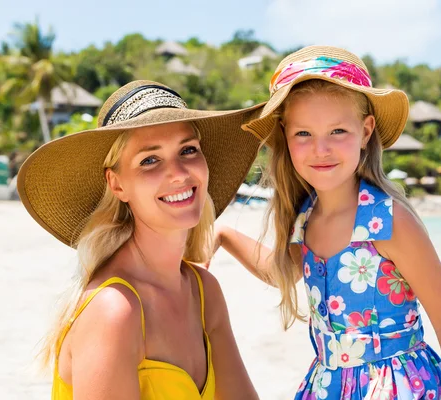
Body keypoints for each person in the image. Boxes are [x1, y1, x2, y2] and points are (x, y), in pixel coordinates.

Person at [214, 46, 441, 399]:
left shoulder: (388, 221)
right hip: (328, 387)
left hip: (400, 388)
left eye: (337, 131)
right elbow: (276, 270)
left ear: (366, 131)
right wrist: (222, 233)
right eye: (304, 134)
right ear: (285, 136)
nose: (320, 149)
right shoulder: (305, 218)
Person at [17, 80, 263, 400]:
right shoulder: (114, 311)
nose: (178, 173)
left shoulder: (204, 292)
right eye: (150, 160)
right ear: (117, 184)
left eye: (188, 150)